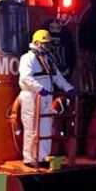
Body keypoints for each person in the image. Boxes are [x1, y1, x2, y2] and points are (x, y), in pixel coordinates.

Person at [18, 29, 75, 168]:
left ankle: (42, 157)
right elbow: (25, 78)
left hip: (45, 96)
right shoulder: (27, 58)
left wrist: (69, 88)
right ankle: (29, 158)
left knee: (45, 127)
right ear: (37, 43)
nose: (48, 46)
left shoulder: (48, 60)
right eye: (45, 43)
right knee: (31, 127)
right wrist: (39, 88)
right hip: (31, 97)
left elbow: (57, 77)